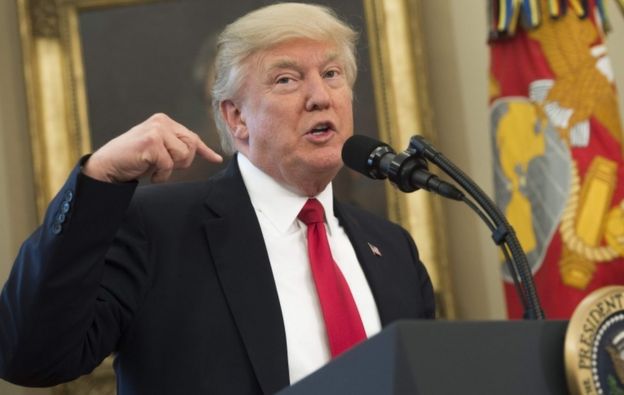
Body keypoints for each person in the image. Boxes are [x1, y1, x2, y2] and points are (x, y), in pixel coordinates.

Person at [0, 3, 435, 394]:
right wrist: (97, 180)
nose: (320, 96)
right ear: (236, 117)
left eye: (332, 74)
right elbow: (30, 357)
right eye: (287, 79)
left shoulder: (393, 249)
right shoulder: (157, 228)